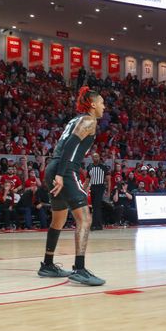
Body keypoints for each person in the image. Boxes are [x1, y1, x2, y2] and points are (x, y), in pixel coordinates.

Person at [39, 86, 106, 286]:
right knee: (85, 218)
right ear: (93, 105)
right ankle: (80, 269)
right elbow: (70, 145)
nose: (104, 106)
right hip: (65, 170)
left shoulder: (75, 120)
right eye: (102, 103)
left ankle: (48, 264)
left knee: (58, 219)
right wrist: (61, 174)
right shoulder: (89, 120)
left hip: (53, 167)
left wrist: (56, 172)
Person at [86, 153, 110, 230]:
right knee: (95, 206)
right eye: (93, 157)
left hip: (100, 187)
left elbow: (108, 180)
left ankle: (95, 225)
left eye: (96, 156)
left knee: (97, 206)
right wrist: (83, 189)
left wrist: (108, 191)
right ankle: (98, 225)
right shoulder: (89, 167)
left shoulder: (103, 167)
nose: (95, 158)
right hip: (92, 187)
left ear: (99, 157)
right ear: (92, 158)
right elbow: (87, 180)